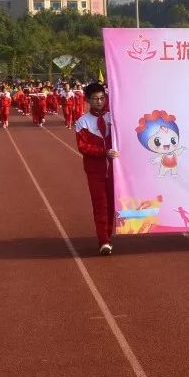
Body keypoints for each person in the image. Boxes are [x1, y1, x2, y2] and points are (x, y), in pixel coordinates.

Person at [75, 82, 117, 255]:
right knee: (100, 205)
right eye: (95, 99)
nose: (99, 102)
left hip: (114, 169)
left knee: (111, 205)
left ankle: (107, 235)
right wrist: (104, 152)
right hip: (95, 170)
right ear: (88, 100)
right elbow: (83, 147)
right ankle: (104, 241)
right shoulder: (82, 121)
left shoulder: (113, 117)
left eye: (102, 98)